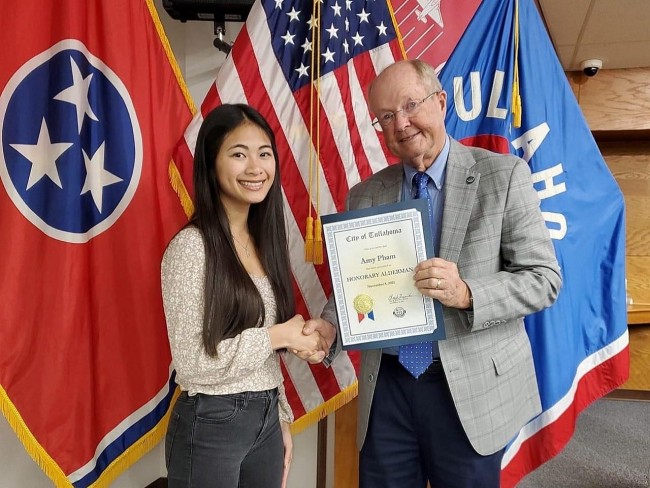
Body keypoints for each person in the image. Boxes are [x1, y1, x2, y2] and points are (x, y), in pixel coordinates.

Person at [303, 59, 562, 488]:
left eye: (410, 105)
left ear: (440, 102)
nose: (401, 123)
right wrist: (331, 327)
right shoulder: (364, 194)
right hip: (386, 387)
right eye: (386, 116)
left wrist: (466, 293)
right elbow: (355, 288)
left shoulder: (505, 175)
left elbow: (543, 279)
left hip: (470, 387)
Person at [161, 103, 321, 488]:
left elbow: (262, 353)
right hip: (211, 422)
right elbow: (193, 363)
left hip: (264, 419)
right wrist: (279, 335)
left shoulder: (264, 241)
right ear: (211, 164)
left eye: (264, 153)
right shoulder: (191, 248)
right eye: (238, 154)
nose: (256, 168)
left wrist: (278, 415)